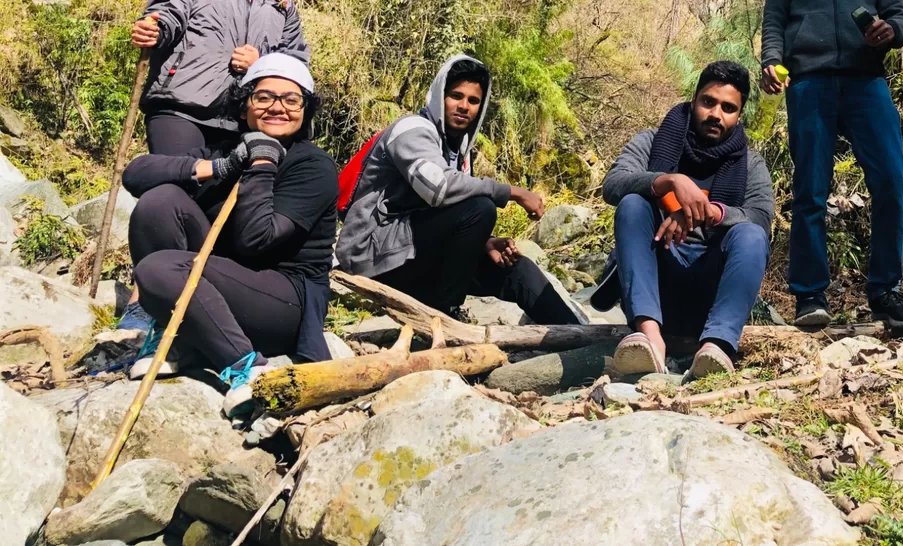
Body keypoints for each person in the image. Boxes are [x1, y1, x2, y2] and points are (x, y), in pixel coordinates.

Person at [122, 53, 338, 416]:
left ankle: (247, 367)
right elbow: (136, 174)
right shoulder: (228, 150)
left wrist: (263, 164)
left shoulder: (313, 166)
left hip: (284, 301)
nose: (277, 107)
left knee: (159, 271)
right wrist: (220, 166)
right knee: (159, 202)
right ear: (245, 107)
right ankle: (176, 336)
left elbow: (257, 241)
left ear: (305, 111)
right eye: (264, 97)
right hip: (223, 281)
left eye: (291, 99)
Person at [760, 0, 903, 332]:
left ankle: (885, 291)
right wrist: (772, 60)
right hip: (809, 83)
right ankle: (809, 296)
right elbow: (773, 23)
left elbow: (900, 19)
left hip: (867, 83)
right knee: (810, 190)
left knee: (890, 180)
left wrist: (891, 33)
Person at [335, 54, 582, 325]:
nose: (464, 106)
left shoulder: (460, 151)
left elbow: (444, 217)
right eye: (456, 96)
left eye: (473, 101)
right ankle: (444, 316)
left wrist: (484, 242)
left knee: (516, 269)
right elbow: (438, 189)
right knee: (480, 208)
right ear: (441, 96)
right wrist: (512, 192)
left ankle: (579, 340)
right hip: (373, 256)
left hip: (416, 255)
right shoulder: (412, 130)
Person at [600, 61, 773, 379]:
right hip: (656, 282)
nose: (716, 114)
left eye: (728, 107)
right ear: (694, 100)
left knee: (752, 235)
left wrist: (706, 214)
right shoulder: (652, 141)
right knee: (634, 204)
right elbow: (612, 185)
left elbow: (761, 217)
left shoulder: (751, 164)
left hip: (710, 292)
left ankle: (716, 346)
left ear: (739, 115)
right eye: (708, 102)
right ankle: (651, 342)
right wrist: (668, 181)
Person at [131, 0, 309, 157]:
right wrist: (156, 30)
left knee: (226, 195)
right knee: (177, 183)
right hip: (181, 109)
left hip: (242, 121)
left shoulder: (281, 2)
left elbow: (295, 62)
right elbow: (169, 12)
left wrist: (261, 65)